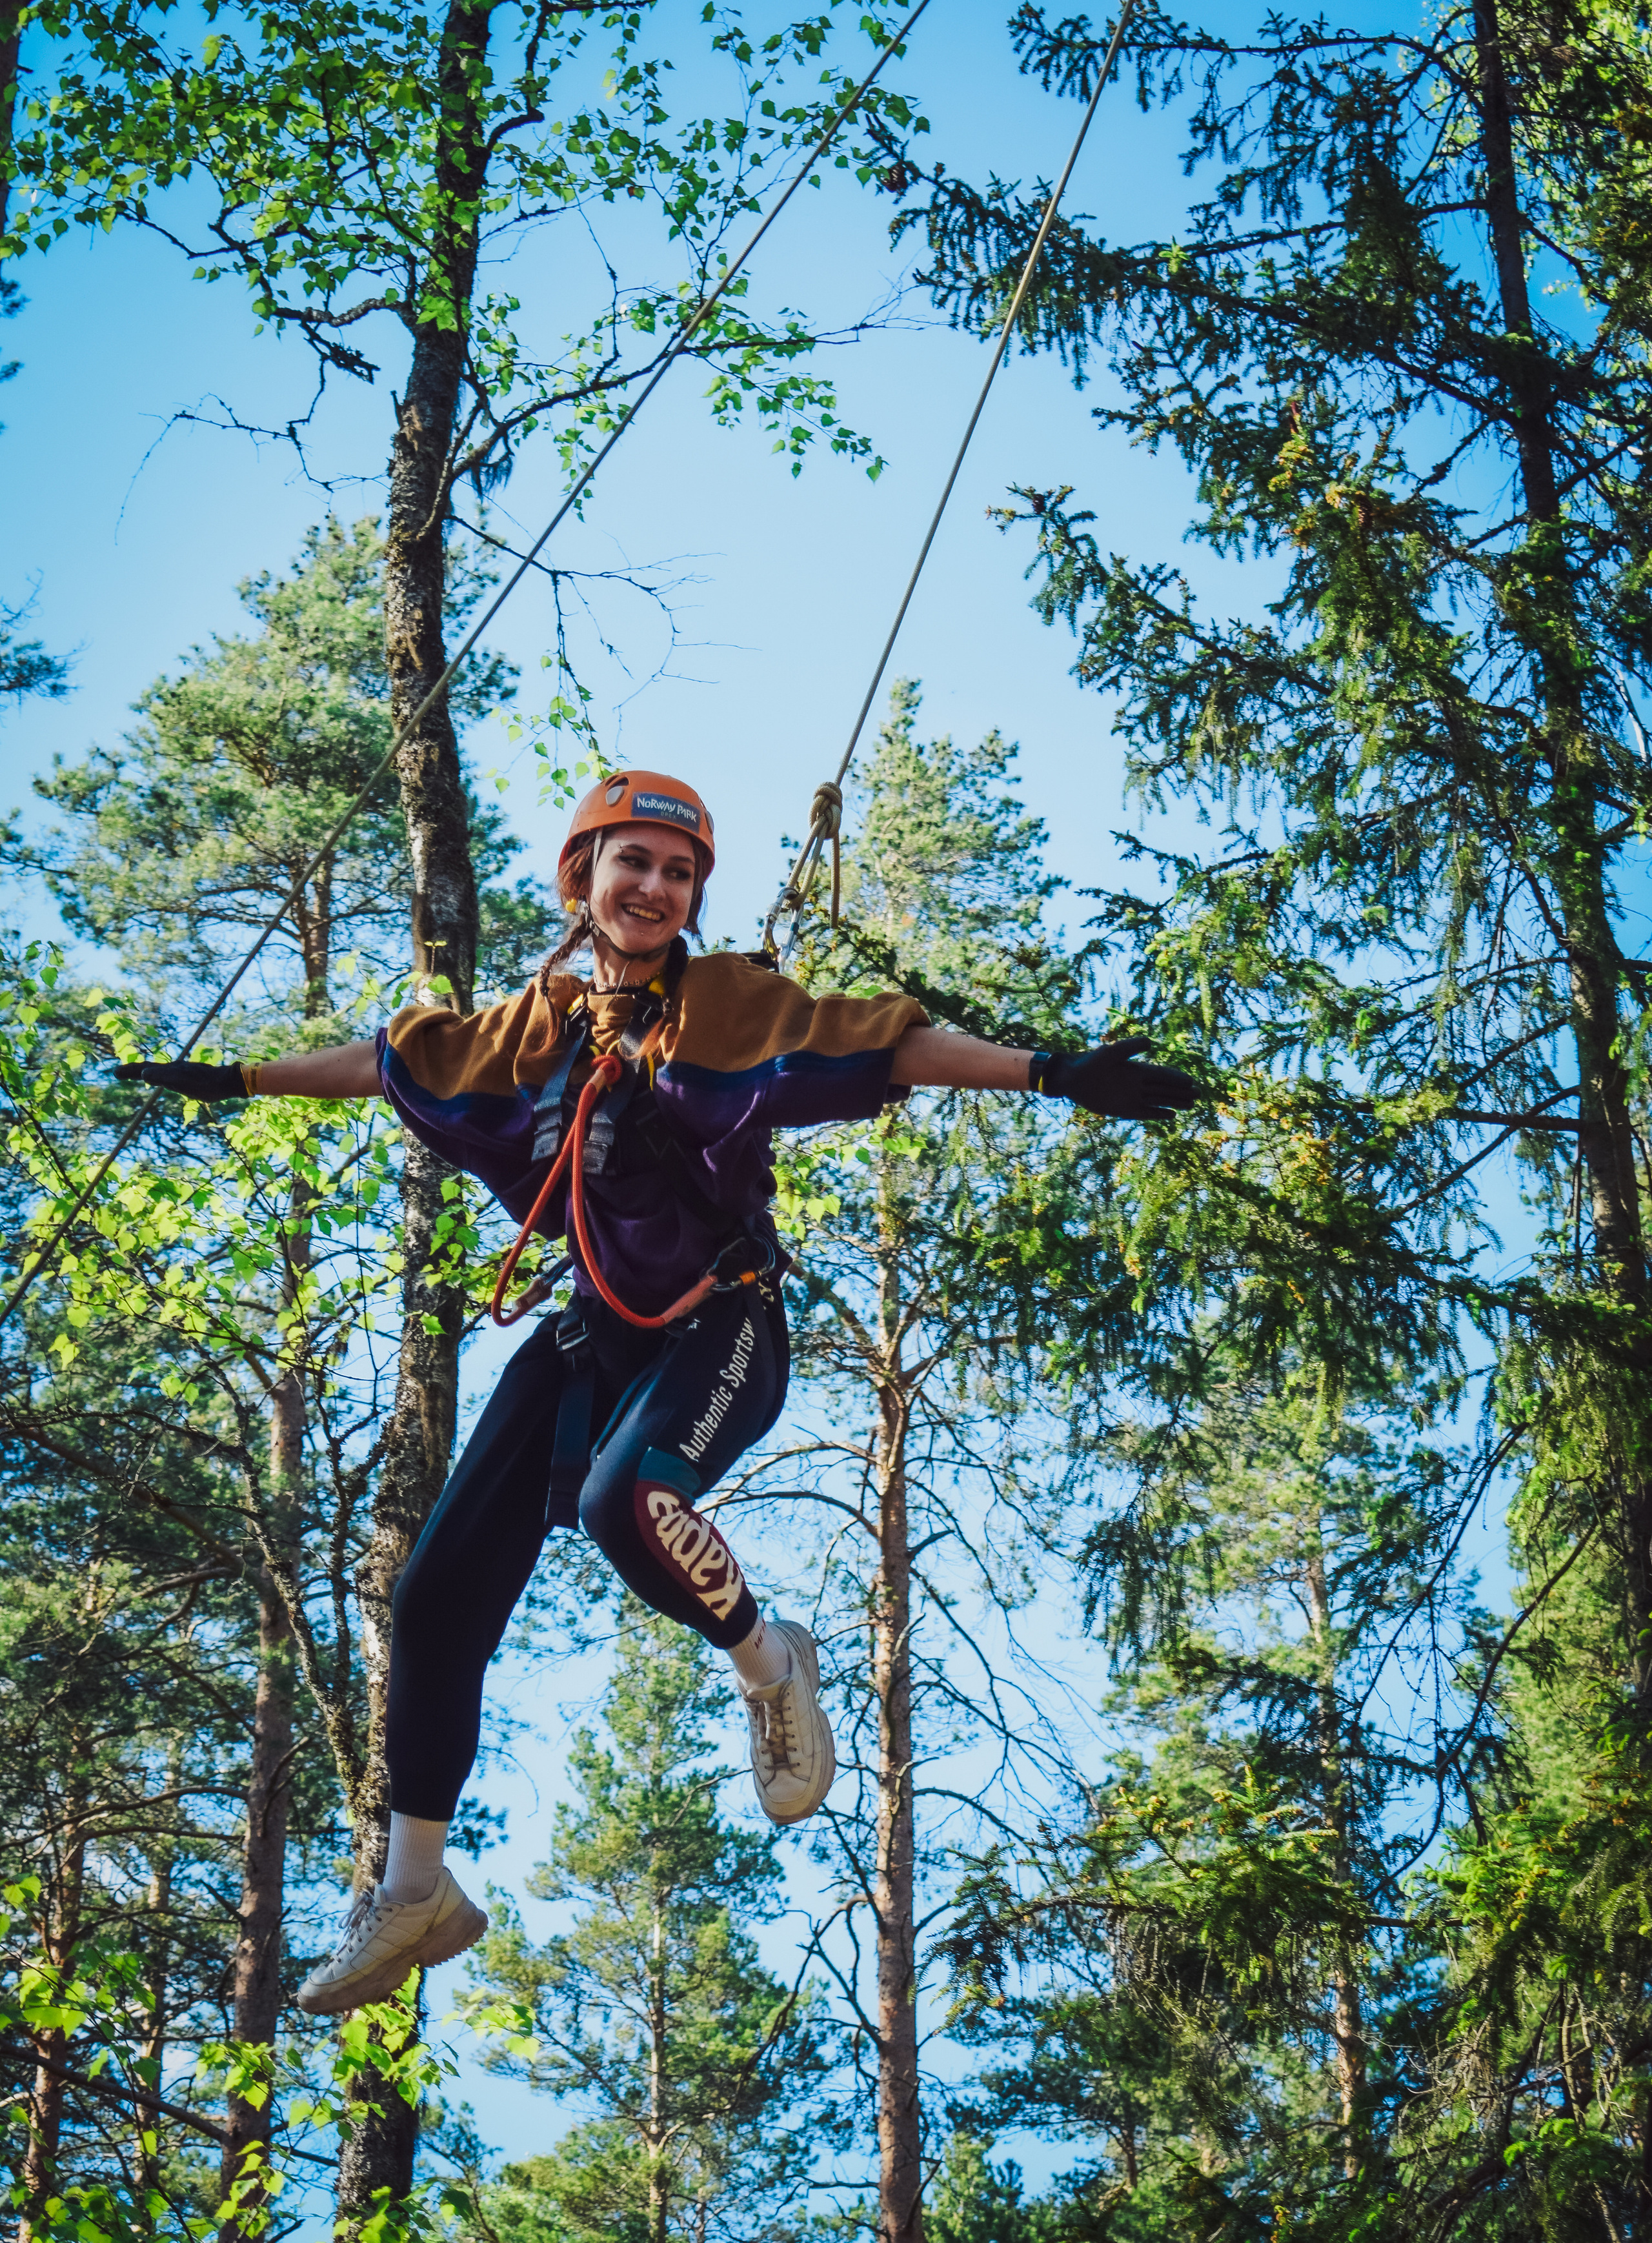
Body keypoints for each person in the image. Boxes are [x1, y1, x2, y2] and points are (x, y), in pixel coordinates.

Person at [117, 769, 1197, 2015]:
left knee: (626, 1504)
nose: (657, 888)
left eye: (680, 873)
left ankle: (768, 1665)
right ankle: (417, 1890)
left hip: (720, 1323)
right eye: (634, 863)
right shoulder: (536, 1031)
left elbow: (887, 1044)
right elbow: (387, 1063)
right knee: (434, 1596)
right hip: (589, 1342)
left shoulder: (728, 1001)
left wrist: (1053, 1072)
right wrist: (239, 1082)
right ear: (583, 875)